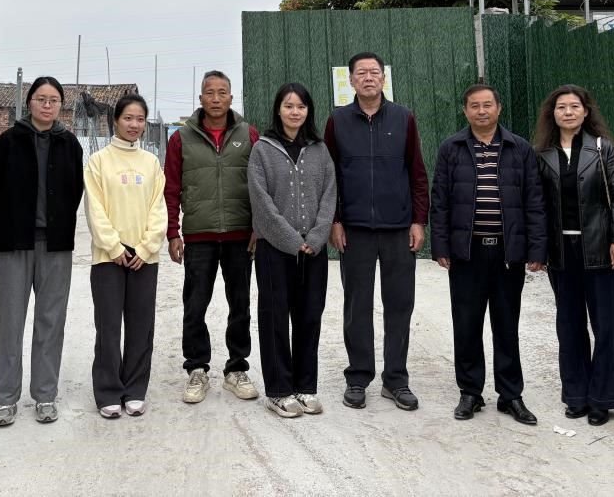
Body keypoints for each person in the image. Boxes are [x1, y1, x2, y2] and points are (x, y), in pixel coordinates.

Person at [430, 83, 547, 425]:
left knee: (506, 325)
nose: (481, 111)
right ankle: (470, 392)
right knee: (467, 324)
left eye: (487, 105)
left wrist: (536, 248)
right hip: (467, 252)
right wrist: (441, 246)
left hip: (508, 253)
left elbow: (534, 201)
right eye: (474, 106)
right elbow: (440, 201)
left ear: (499, 108)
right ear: (465, 111)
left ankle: (511, 395)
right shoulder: (451, 148)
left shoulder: (519, 148)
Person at [325, 52, 429, 411]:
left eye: (374, 72)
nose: (368, 78)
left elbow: (417, 173)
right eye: (361, 73)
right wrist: (334, 221)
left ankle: (396, 380)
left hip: (398, 228)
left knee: (399, 305)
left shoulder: (403, 118)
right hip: (354, 230)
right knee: (357, 306)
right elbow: (329, 177)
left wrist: (419, 220)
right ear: (351, 80)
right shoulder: (338, 121)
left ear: (383, 78)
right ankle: (358, 377)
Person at [0, 76, 84, 427]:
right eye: (41, 99)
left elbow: (75, 190)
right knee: (11, 321)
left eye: (54, 100)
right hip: (14, 246)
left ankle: (45, 395)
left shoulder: (70, 145)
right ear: (29, 102)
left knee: (51, 322)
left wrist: (59, 223)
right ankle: (6, 399)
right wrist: (3, 231)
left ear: (61, 106)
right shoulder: (7, 142)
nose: (47, 105)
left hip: (55, 246)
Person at [533, 84, 614, 427]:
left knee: (605, 326)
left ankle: (602, 398)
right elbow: (537, 206)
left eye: (574, 106)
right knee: (569, 324)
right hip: (561, 252)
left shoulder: (603, 149)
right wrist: (538, 250)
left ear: (585, 111)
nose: (568, 112)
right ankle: (576, 396)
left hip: (599, 249)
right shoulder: (542, 154)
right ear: (553, 114)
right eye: (561, 107)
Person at [164, 70, 261, 404]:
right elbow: (171, 188)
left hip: (240, 235)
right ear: (201, 98)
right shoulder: (182, 138)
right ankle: (197, 368)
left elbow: (260, 186)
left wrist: (258, 228)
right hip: (199, 235)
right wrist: (173, 232)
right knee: (195, 305)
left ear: (231, 98)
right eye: (210, 92)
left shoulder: (249, 134)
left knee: (240, 305)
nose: (216, 98)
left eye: (222, 92)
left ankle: (236, 369)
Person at [247, 82, 337, 418]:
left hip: (313, 248)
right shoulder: (263, 149)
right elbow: (261, 201)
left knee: (309, 315)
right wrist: (289, 238)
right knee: (274, 317)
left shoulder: (319, 149)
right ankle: (278, 390)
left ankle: (305, 386)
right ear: (278, 109)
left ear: (308, 110)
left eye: (301, 106)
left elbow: (329, 194)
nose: (295, 112)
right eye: (288, 106)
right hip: (274, 248)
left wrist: (317, 236)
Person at [84, 93, 168, 419]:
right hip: (108, 257)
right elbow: (95, 210)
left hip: (145, 257)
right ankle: (108, 391)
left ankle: (134, 389)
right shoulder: (99, 161)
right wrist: (115, 247)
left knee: (140, 326)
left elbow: (158, 209)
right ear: (116, 121)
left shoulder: (151, 163)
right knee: (108, 326)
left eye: (140, 119)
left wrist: (146, 248)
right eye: (128, 118)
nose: (134, 125)